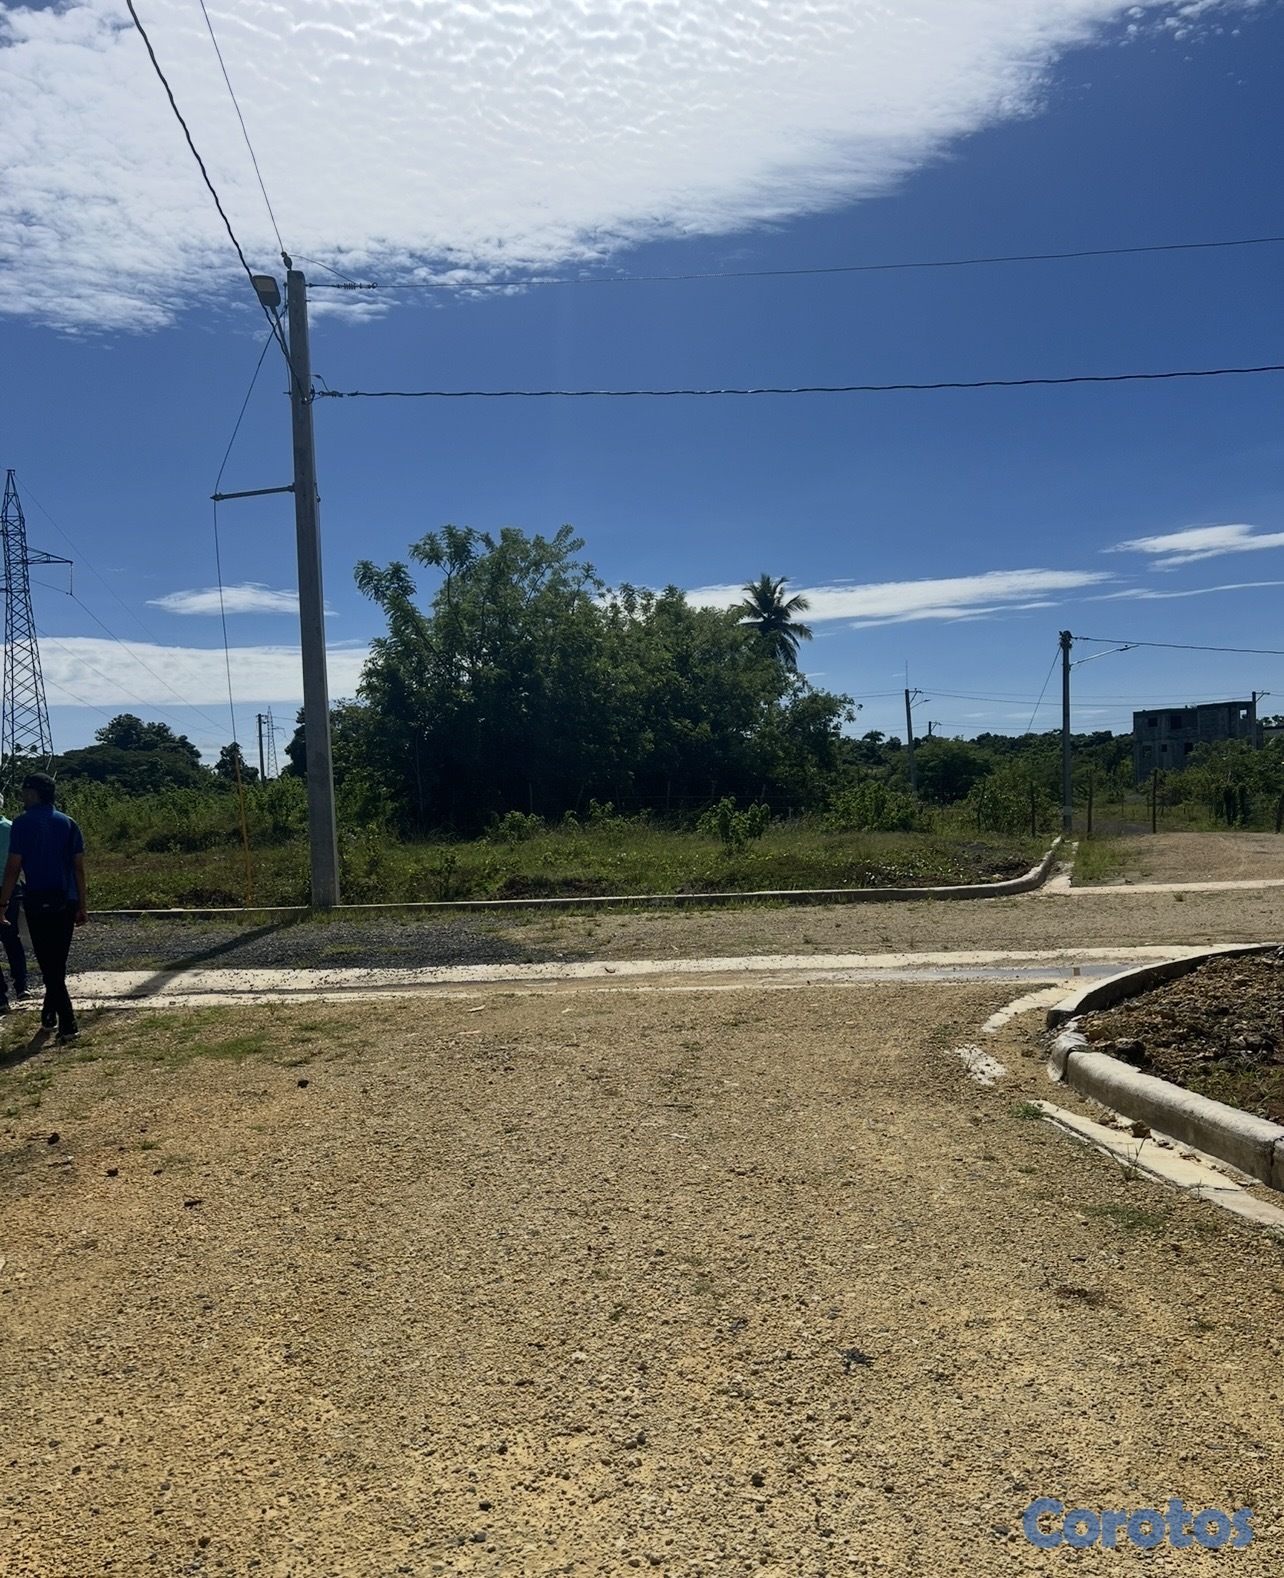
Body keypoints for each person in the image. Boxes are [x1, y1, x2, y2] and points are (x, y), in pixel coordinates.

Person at [0, 773, 87, 1041]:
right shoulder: (69, 823)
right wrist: (83, 905)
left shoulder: (22, 824)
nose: (21, 795)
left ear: (34, 793)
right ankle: (49, 1014)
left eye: (24, 791)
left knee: (48, 961)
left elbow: (14, 867)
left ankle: (68, 1021)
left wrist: (1, 904)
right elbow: (78, 868)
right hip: (67, 899)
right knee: (56, 961)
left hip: (37, 900)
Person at [0, 807, 29, 1006]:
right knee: (11, 938)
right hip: (11, 887)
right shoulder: (12, 827)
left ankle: (1, 996)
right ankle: (21, 985)